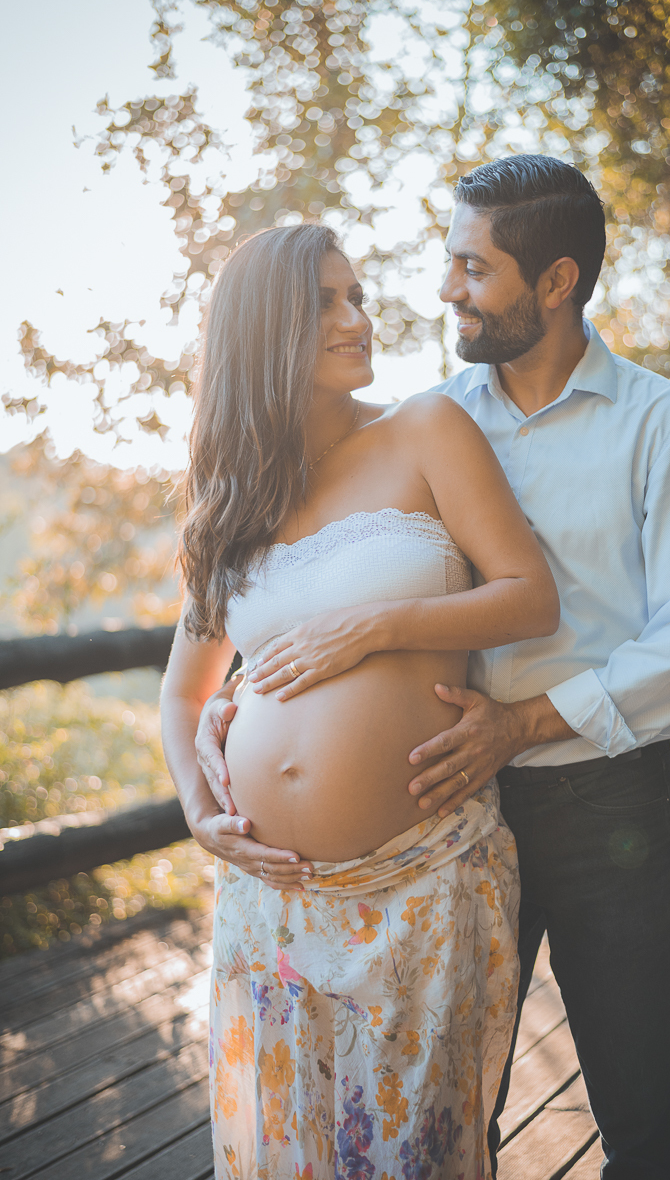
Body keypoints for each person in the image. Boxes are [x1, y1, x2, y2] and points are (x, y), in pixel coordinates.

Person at [196, 156, 670, 1178]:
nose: (445, 289)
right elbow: (306, 583)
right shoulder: (423, 416)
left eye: (473, 270)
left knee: (640, 1117)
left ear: (556, 281)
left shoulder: (662, 423)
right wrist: (220, 714)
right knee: (450, 1118)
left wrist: (524, 720)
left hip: (604, 807)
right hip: (447, 812)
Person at [160, 222, 560, 1179]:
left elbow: (528, 595)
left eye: (357, 295)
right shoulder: (233, 496)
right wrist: (199, 812)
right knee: (280, 1156)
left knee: (411, 1159)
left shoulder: (423, 429)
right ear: (264, 333)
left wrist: (374, 625)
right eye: (327, 302)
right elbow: (182, 691)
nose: (359, 317)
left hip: (419, 881)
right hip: (270, 903)